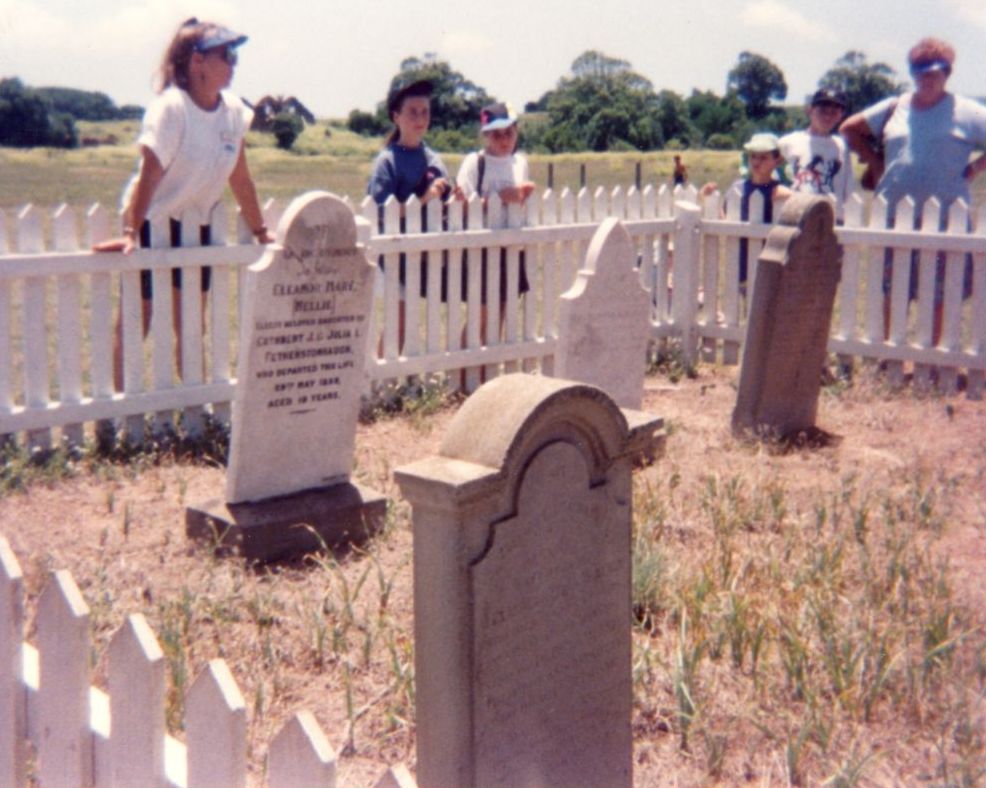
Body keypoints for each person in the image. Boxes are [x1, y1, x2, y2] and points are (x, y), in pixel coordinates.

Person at [94, 18, 272, 391]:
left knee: (191, 323)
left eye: (234, 54)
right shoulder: (171, 108)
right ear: (196, 61)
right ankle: (114, 413)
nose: (233, 63)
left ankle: (192, 407)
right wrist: (131, 231)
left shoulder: (234, 113)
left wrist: (261, 231)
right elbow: (150, 172)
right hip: (152, 221)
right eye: (225, 54)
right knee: (136, 318)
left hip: (197, 226)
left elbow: (240, 178)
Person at [840, 37, 986, 342]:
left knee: (940, 293)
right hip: (894, 213)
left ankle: (930, 357)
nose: (926, 78)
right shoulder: (895, 107)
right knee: (892, 290)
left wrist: (974, 169)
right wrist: (875, 161)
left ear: (947, 72)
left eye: (934, 71)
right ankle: (890, 355)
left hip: (947, 218)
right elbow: (850, 129)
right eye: (919, 71)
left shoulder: (968, 111)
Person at [367, 78, 453, 353]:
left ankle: (402, 382)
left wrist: (453, 199)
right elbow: (380, 210)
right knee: (399, 323)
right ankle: (381, 386)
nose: (420, 118)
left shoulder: (434, 159)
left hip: (428, 252)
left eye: (425, 112)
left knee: (416, 323)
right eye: (413, 112)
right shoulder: (387, 161)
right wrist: (423, 199)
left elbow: (446, 204)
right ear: (396, 117)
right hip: (396, 254)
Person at [456, 101, 534, 325]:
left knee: (500, 315)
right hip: (482, 247)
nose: (503, 140)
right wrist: (498, 198)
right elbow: (460, 206)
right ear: (485, 135)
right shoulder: (475, 162)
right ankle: (470, 362)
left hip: (511, 246)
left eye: (509, 133)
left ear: (516, 132)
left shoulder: (520, 163)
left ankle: (488, 362)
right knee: (480, 320)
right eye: (496, 135)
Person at [700, 132, 792, 288]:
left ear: (777, 160)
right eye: (753, 156)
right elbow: (725, 221)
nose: (756, 162)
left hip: (770, 263)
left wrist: (789, 194)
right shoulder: (738, 188)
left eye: (764, 158)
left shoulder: (780, 190)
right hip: (739, 261)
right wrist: (708, 200)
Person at [779, 88, 855, 220]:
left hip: (830, 218)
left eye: (834, 112)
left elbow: (848, 189)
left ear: (841, 115)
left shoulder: (841, 146)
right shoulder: (788, 142)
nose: (827, 117)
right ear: (810, 110)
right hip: (794, 216)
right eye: (822, 111)